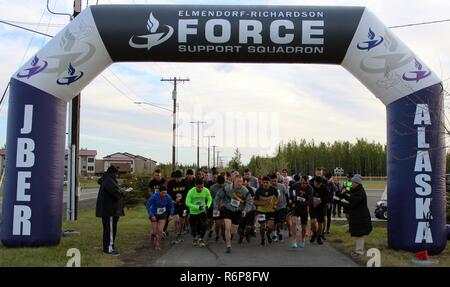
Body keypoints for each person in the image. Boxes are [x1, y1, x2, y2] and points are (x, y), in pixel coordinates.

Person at [214, 175, 253, 253]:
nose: (239, 183)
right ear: (233, 181)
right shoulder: (227, 188)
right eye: (238, 181)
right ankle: (228, 246)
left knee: (233, 231)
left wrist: (245, 210)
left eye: (241, 182)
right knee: (227, 227)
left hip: (238, 211)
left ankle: (228, 237)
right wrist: (215, 207)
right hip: (227, 209)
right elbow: (218, 196)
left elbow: (249, 202)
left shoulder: (245, 191)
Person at [96, 165, 130, 256]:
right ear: (112, 173)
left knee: (108, 229)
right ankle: (108, 249)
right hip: (110, 210)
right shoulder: (109, 181)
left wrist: (120, 190)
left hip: (108, 210)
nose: (117, 175)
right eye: (116, 173)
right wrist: (124, 192)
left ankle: (109, 246)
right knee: (110, 230)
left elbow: (115, 191)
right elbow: (116, 194)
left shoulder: (106, 179)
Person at [338, 174, 372, 257]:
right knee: (358, 234)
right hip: (358, 216)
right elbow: (350, 199)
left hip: (361, 216)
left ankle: (359, 251)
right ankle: (358, 250)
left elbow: (352, 204)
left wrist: (341, 202)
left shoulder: (359, 193)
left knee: (360, 234)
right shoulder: (356, 191)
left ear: (357, 183)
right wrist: (342, 195)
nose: (351, 184)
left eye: (352, 182)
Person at [185, 178, 212, 248]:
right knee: (193, 227)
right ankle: (194, 238)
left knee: (205, 224)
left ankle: (201, 239)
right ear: (195, 185)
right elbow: (187, 203)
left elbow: (209, 199)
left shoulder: (206, 190)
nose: (200, 189)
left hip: (202, 211)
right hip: (193, 212)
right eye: (198, 187)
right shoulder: (191, 192)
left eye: (202, 187)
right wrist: (197, 207)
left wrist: (207, 206)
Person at [146, 185, 174, 252]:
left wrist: (171, 214)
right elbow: (148, 206)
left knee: (160, 230)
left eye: (165, 193)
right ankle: (152, 235)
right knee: (154, 231)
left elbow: (171, 206)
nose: (164, 194)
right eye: (163, 193)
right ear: (159, 192)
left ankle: (157, 245)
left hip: (162, 214)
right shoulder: (154, 196)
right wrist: (151, 215)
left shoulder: (168, 197)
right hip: (154, 213)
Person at [288, 175, 313, 249]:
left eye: (306, 183)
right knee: (294, 222)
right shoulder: (297, 185)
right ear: (301, 181)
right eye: (303, 183)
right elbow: (290, 189)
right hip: (296, 207)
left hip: (304, 208)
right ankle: (294, 240)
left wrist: (305, 202)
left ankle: (302, 240)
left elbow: (310, 201)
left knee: (303, 227)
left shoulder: (310, 189)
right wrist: (292, 196)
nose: (304, 185)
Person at [254, 176, 278, 246]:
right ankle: (262, 239)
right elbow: (254, 202)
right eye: (264, 182)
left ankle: (268, 234)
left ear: (270, 183)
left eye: (267, 182)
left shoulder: (273, 190)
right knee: (262, 227)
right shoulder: (259, 190)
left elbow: (276, 198)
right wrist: (264, 203)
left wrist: (275, 204)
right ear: (262, 182)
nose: (265, 184)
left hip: (271, 211)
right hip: (261, 210)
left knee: (270, 227)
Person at [167, 170, 187, 243]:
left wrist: (182, 196)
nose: (178, 179)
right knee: (176, 220)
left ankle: (179, 234)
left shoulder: (185, 182)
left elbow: (188, 192)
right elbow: (168, 193)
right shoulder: (171, 183)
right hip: (174, 204)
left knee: (182, 221)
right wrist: (174, 197)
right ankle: (175, 236)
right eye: (176, 178)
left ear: (182, 177)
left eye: (179, 178)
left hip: (183, 204)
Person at [309, 176, 330, 245]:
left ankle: (319, 236)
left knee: (320, 223)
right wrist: (312, 202)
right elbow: (307, 196)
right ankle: (314, 233)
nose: (317, 185)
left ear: (321, 183)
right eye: (316, 183)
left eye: (319, 184)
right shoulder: (310, 186)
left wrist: (320, 201)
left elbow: (327, 198)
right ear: (314, 181)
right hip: (313, 207)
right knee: (313, 221)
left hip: (321, 207)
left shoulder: (324, 188)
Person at [271, 173, 289, 242]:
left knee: (281, 221)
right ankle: (274, 234)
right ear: (270, 181)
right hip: (273, 207)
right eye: (272, 181)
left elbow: (286, 195)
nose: (274, 182)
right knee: (274, 222)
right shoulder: (270, 187)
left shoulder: (282, 186)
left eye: (275, 181)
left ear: (277, 180)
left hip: (282, 206)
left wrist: (287, 205)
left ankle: (281, 234)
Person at [209, 175, 227, 242]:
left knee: (224, 223)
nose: (221, 185)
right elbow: (210, 198)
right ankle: (217, 235)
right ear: (217, 182)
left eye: (222, 184)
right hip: (216, 208)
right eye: (220, 184)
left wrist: (223, 203)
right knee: (217, 224)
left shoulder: (228, 186)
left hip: (225, 207)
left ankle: (223, 233)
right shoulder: (212, 188)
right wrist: (217, 204)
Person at [242, 177, 257, 241]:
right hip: (241, 208)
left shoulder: (250, 189)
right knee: (242, 223)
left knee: (249, 223)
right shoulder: (237, 189)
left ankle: (249, 232)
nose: (244, 183)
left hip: (250, 208)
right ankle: (243, 234)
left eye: (245, 182)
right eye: (243, 182)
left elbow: (253, 198)